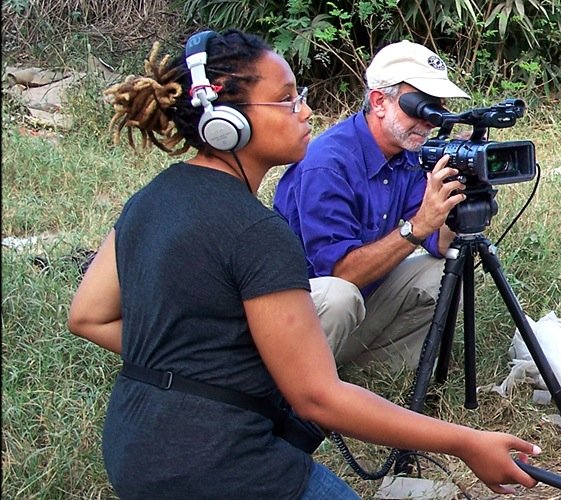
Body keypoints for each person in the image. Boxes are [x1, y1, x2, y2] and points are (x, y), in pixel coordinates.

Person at [68, 29, 536, 498]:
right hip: (219, 464)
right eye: (287, 100)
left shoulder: (149, 198)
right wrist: (466, 442)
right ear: (226, 121)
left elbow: (88, 316)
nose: (307, 112)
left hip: (130, 446)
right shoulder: (257, 231)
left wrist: (199, 365)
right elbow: (317, 398)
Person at [272, 40, 468, 368]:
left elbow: (438, 244)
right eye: (419, 106)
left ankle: (371, 380)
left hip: (363, 304)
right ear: (379, 101)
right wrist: (418, 225)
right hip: (303, 315)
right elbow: (339, 273)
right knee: (339, 296)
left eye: (438, 108)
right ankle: (306, 385)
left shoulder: (407, 156)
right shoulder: (329, 162)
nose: (430, 121)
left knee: (445, 272)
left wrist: (457, 199)